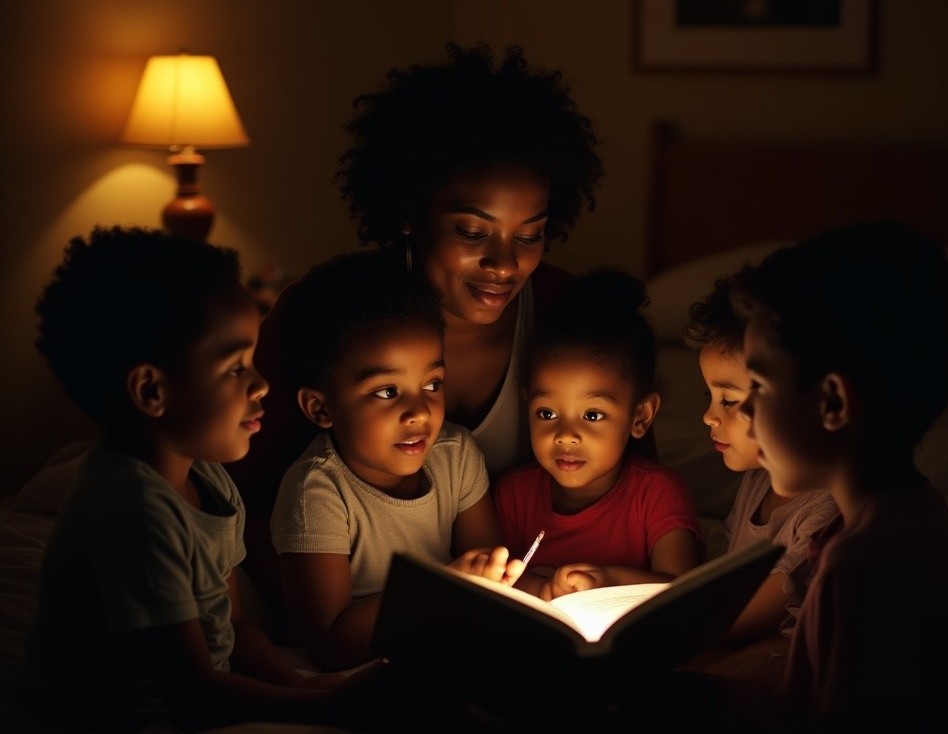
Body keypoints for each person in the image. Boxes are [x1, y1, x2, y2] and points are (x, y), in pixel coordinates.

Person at [226, 41, 605, 625]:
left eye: (529, 235)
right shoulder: (329, 315)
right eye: (472, 233)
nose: (505, 265)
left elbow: (636, 478)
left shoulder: (568, 313)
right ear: (409, 212)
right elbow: (232, 488)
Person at [26, 226, 380, 733]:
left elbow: (231, 624)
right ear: (152, 390)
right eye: (235, 368)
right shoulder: (134, 510)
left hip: (201, 694)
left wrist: (299, 685)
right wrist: (325, 710)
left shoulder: (207, 476)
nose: (262, 385)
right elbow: (190, 691)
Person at [729, 221, 948, 732]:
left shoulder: (862, 570)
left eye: (759, 386)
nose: (744, 411)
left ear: (833, 402)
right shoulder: (911, 514)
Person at [268, 249, 524, 672]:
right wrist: (446, 589)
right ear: (320, 408)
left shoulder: (455, 456)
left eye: (433, 384)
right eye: (387, 391)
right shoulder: (316, 492)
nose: (420, 413)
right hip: (356, 670)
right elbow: (331, 643)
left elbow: (486, 567)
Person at [493, 269, 702, 600]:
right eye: (547, 413)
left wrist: (606, 580)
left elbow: (685, 591)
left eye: (592, 415)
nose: (566, 435)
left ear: (640, 416)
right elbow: (497, 585)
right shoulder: (513, 496)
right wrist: (547, 590)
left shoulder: (657, 493)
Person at [679, 274, 839, 687]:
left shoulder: (825, 508)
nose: (709, 417)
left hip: (803, 651)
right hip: (756, 637)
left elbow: (732, 621)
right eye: (710, 398)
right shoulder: (756, 480)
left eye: (729, 401)